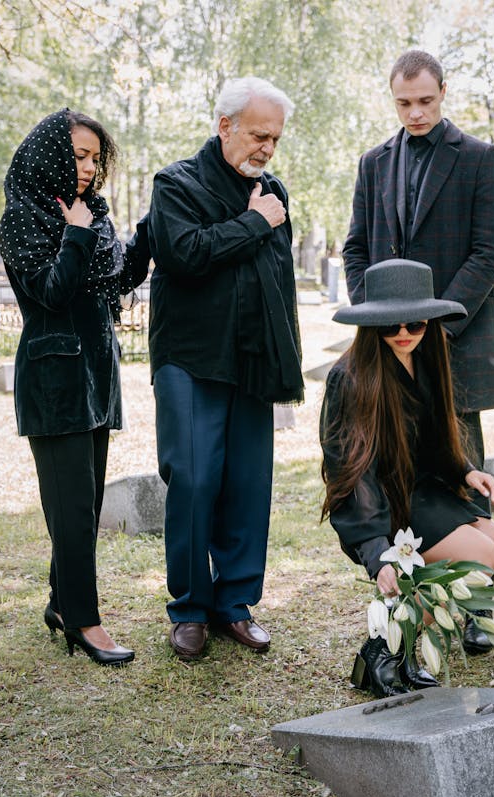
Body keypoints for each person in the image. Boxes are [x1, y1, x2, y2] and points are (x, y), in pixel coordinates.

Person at [147, 77, 303, 663]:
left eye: (275, 139)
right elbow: (185, 256)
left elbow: (279, 280)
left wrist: (283, 355)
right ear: (225, 127)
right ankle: (189, 608)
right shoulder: (175, 184)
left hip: (252, 359)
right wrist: (256, 222)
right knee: (192, 479)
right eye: (259, 135)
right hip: (189, 357)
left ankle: (234, 604)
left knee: (247, 484)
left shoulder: (273, 189)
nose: (266, 148)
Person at [0, 109, 151, 666]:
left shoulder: (92, 214)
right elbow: (53, 291)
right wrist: (80, 235)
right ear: (49, 155)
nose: (87, 167)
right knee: (70, 507)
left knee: (82, 503)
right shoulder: (23, 218)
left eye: (93, 157)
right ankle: (85, 622)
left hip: (97, 373)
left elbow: (118, 279)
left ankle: (63, 602)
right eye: (77, 155)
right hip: (55, 377)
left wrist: (148, 233)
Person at [320, 259, 494, 698]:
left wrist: (467, 470)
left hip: (420, 489)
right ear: (371, 325)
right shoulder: (350, 378)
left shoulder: (427, 356)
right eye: (391, 325)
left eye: (417, 322)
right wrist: (375, 551)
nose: (405, 332)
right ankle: (382, 651)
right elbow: (351, 473)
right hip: (379, 503)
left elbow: (436, 437)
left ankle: (396, 649)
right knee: (479, 556)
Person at [342, 49, 494, 528]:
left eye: (424, 101)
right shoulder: (373, 163)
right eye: (403, 103)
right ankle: (407, 595)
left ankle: (473, 598)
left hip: (457, 342)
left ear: (443, 93)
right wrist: (377, 318)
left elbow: (490, 251)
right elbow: (355, 249)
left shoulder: (479, 157)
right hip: (388, 347)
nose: (415, 112)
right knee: (396, 472)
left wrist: (434, 323)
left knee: (464, 471)